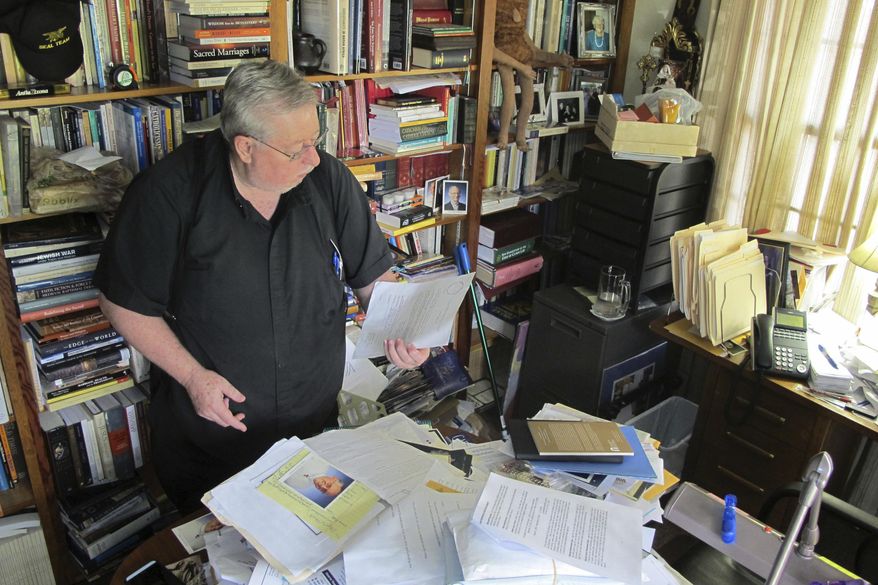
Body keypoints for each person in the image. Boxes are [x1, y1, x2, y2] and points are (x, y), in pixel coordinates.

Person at [94, 60, 429, 513]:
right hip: (212, 439)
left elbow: (374, 279)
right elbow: (123, 302)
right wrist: (193, 377)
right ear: (246, 147)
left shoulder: (328, 180)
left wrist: (407, 328)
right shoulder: (168, 193)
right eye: (297, 149)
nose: (313, 158)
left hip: (314, 429)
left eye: (316, 140)